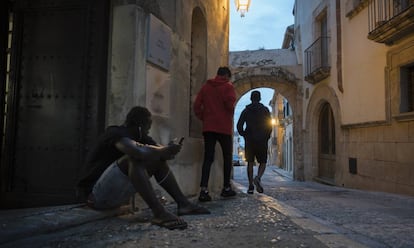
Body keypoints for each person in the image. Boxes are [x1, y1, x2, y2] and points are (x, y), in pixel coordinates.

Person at [78, 106, 210, 230]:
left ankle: (184, 204)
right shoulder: (115, 133)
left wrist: (170, 150)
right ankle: (159, 212)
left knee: (156, 159)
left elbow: (159, 153)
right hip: (95, 197)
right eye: (147, 127)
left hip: (114, 196)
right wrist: (164, 151)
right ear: (139, 126)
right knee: (133, 159)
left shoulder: (141, 137)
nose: (148, 131)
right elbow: (136, 151)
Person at [193, 66, 237, 202]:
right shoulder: (228, 87)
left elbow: (196, 106)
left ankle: (204, 190)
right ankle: (226, 188)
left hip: (209, 127)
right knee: (227, 157)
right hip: (223, 127)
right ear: (227, 76)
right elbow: (230, 106)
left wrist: (204, 118)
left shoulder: (206, 87)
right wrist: (227, 114)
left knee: (208, 158)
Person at [236, 90, 272, 194]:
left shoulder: (246, 110)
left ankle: (250, 185)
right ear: (259, 98)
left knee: (250, 163)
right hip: (262, 140)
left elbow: (239, 125)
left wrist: (244, 134)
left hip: (250, 140)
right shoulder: (265, 110)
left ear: (251, 98)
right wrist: (266, 136)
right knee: (263, 162)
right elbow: (269, 125)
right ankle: (258, 177)